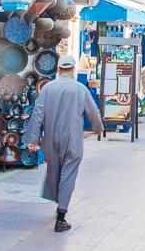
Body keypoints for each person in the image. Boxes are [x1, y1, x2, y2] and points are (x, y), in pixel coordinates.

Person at [24, 54, 103, 233]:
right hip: (72, 139)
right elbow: (93, 111)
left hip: (51, 139)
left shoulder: (48, 89)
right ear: (73, 70)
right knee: (68, 174)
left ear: (58, 70)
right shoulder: (80, 89)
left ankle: (58, 203)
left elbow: (37, 114)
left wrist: (32, 140)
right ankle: (61, 216)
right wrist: (98, 128)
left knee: (55, 171)